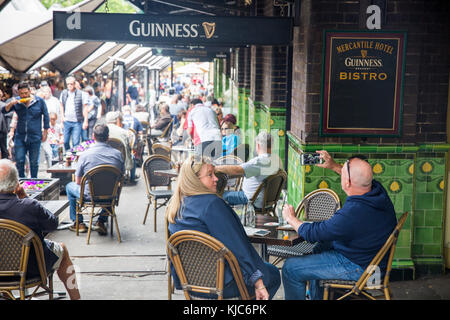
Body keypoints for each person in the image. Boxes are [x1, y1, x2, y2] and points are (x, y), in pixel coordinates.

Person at [281, 150, 397, 300]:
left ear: (347, 182)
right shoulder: (377, 190)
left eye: (344, 170)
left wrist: (291, 219)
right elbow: (356, 178)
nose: (341, 170)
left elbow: (313, 234)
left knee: (290, 268)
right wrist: (333, 165)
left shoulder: (352, 213)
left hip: (359, 268)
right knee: (320, 248)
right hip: (372, 261)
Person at [166, 155, 280, 300]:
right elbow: (238, 246)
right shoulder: (212, 204)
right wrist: (258, 282)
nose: (216, 179)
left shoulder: (177, 205)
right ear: (195, 180)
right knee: (273, 274)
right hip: (222, 283)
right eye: (210, 175)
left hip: (190, 281)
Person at [0, 159, 81, 299]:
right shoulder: (29, 206)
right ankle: (76, 298)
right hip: (31, 268)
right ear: (16, 183)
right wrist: (25, 197)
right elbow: (53, 224)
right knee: (62, 248)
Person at [66, 124, 125, 235]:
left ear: (93, 137)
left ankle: (78, 222)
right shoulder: (118, 155)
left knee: (69, 187)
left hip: (89, 195)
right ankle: (101, 221)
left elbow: (78, 182)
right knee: (111, 188)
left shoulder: (85, 155)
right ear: (108, 137)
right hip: (111, 195)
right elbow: (121, 178)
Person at [215, 131, 282, 209]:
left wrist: (216, 168)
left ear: (258, 145)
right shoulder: (277, 160)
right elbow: (243, 171)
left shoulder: (259, 161)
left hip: (252, 200)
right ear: (272, 145)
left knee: (219, 196)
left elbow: (237, 169)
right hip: (268, 201)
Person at [1, 81, 49, 178]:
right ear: (18, 93)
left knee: (34, 162)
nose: (24, 95)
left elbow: (46, 116)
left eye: (26, 93)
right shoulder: (16, 102)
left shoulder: (39, 101)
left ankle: (34, 181)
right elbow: (4, 110)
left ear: (30, 91)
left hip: (35, 135)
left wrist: (45, 132)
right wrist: (11, 103)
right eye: (21, 94)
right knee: (20, 160)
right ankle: (22, 181)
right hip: (20, 136)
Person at [106, 111, 138, 183]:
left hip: (106, 157)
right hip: (122, 158)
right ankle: (132, 178)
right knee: (132, 156)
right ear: (116, 120)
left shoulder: (103, 130)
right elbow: (130, 145)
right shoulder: (124, 132)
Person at [60, 76, 90, 151]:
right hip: (66, 121)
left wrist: (85, 121)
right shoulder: (64, 93)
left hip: (77, 122)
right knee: (65, 141)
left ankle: (74, 158)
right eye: (68, 84)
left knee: (75, 142)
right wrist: (62, 118)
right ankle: (68, 155)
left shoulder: (81, 94)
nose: (69, 86)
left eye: (71, 84)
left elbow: (85, 108)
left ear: (74, 84)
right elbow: (61, 105)